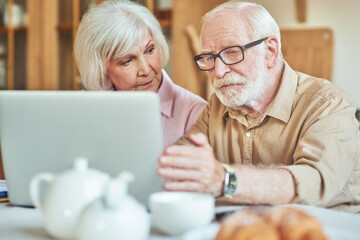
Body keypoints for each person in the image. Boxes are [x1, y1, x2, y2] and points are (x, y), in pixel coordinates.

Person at [157, 1, 360, 214]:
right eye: (209, 57)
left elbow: (313, 181)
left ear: (270, 51)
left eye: (232, 52)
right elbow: (179, 165)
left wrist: (226, 181)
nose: (218, 72)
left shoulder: (327, 103)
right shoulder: (217, 106)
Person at [74, 0, 207, 148]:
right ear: (102, 69)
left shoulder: (196, 113)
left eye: (150, 50)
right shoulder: (83, 109)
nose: (146, 70)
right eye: (127, 61)